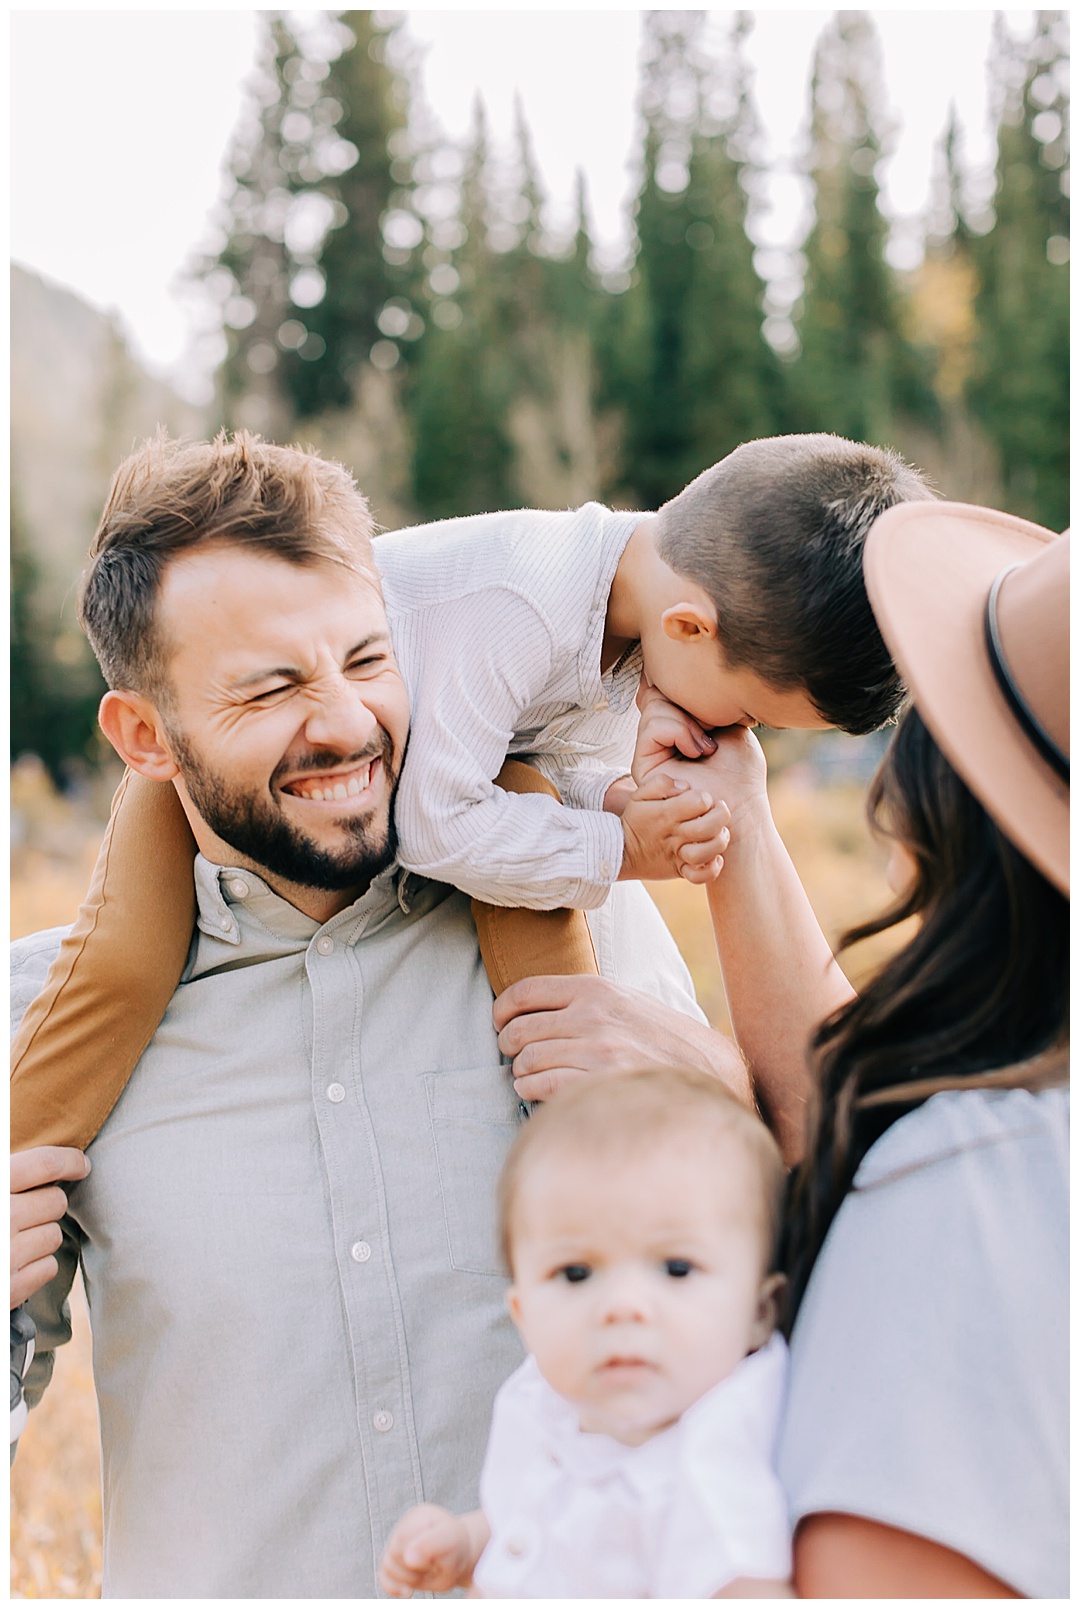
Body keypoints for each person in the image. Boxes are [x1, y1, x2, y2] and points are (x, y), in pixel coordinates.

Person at [8, 442, 749, 1596]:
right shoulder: (39, 1026)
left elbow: (771, 1315)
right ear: (145, 737)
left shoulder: (592, 943)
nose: (348, 725)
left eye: (366, 658)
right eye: (270, 688)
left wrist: (724, 1079)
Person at [10, 428, 934, 1155]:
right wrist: (623, 844)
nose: (735, 740)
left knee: (541, 921)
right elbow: (441, 823)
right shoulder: (525, 610)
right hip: (350, 802)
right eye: (747, 716)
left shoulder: (633, 636)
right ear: (692, 627)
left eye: (367, 658)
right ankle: (25, 1133)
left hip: (443, 792)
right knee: (119, 964)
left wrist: (631, 803)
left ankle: (600, 1165)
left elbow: (524, 780)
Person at [379, 1067, 792, 1600]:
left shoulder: (714, 1461)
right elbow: (542, 1525)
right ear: (524, 1314)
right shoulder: (549, 1403)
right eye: (576, 1273)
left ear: (760, 1311)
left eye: (676, 1269)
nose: (621, 1307)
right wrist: (470, 1542)